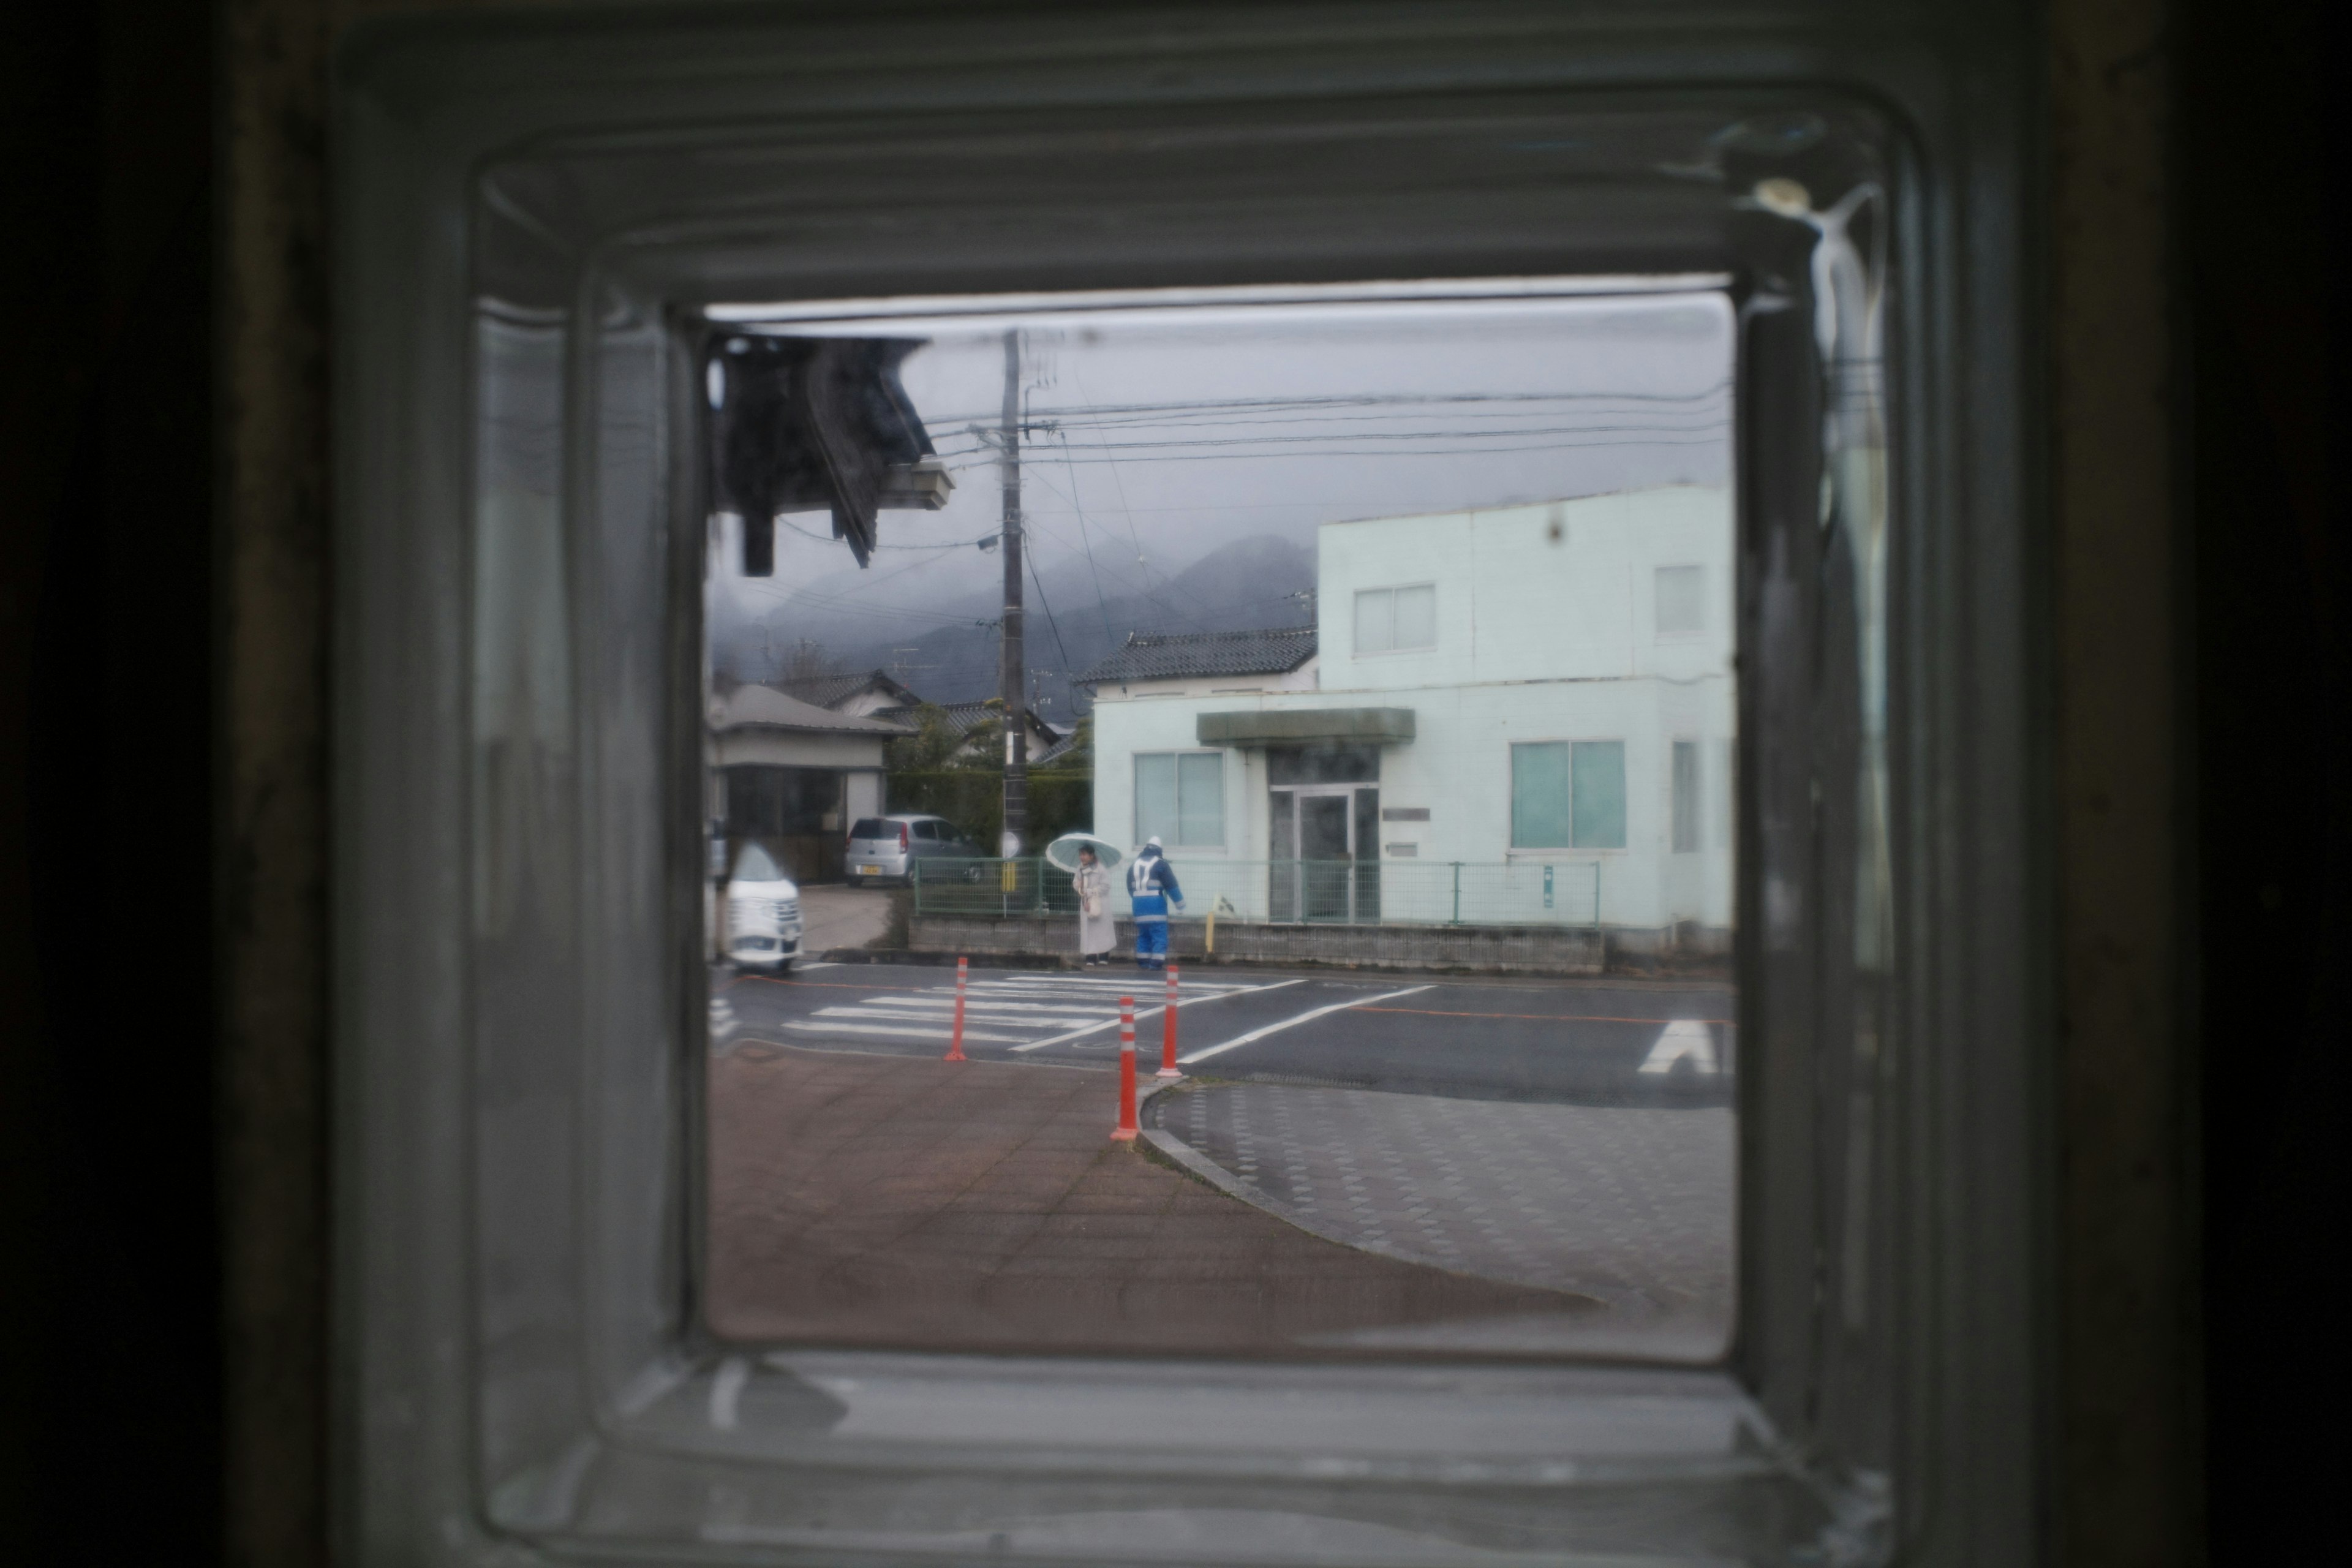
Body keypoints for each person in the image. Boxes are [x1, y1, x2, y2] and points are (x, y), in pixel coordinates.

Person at [1125, 835, 1183, 970]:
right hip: (1156, 905)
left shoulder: (1134, 865)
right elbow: (1172, 887)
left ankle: (1143, 961)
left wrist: (1138, 899)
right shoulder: (1161, 864)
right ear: (1159, 850)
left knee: (1143, 934)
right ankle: (1156, 964)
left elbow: (1130, 888)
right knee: (1159, 935)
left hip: (1138, 906)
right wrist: (1180, 905)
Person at [1072, 845, 1115, 967]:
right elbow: (1075, 884)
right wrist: (1078, 885)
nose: (1082, 857)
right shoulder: (1079, 869)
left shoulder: (1101, 869)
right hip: (1086, 904)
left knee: (1102, 931)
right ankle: (1090, 957)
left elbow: (1106, 886)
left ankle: (1104, 956)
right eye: (1081, 854)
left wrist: (1091, 891)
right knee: (1088, 932)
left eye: (1084, 854)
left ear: (1092, 856)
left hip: (1100, 904)